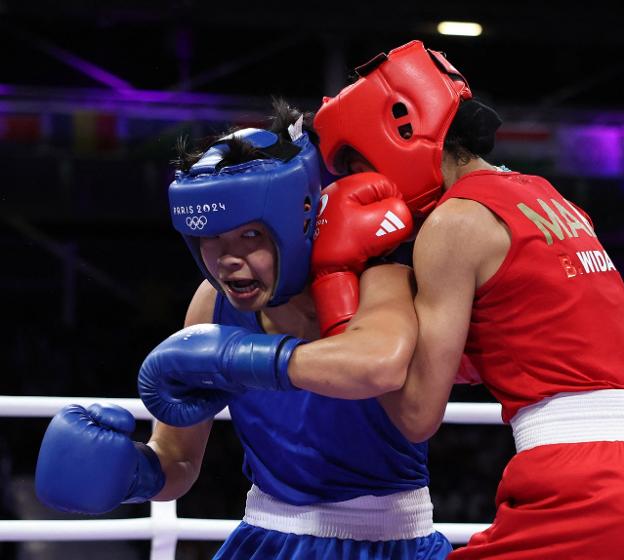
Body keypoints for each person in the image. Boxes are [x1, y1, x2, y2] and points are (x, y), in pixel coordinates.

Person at [312, 40, 624, 559]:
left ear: (399, 131)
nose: (365, 185)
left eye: (360, 165)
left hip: (590, 488)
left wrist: (340, 302)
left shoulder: (454, 222)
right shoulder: (547, 195)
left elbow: (416, 416)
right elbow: (529, 336)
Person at [34, 100, 453, 559]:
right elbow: (178, 459)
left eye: (249, 235)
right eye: (210, 238)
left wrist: (236, 355)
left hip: (387, 542)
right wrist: (133, 473)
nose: (227, 258)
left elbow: (379, 366)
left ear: (301, 218)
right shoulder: (212, 302)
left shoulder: (378, 277)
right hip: (264, 538)